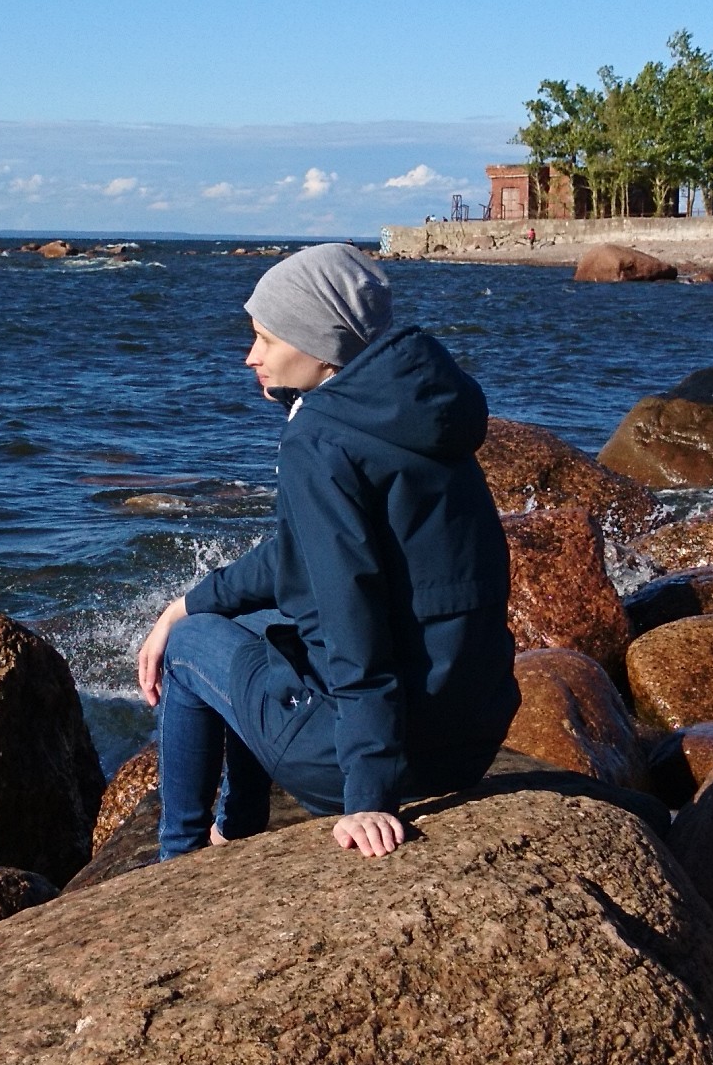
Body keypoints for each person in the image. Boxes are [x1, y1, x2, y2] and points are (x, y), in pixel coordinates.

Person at [135, 243, 518, 864]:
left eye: (265, 337)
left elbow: (352, 616)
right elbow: (304, 555)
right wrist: (188, 600)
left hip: (381, 763)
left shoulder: (320, 438)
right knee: (234, 622)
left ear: (318, 342)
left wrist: (368, 791)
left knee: (186, 649)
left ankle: (181, 861)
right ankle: (237, 827)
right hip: (468, 739)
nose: (250, 355)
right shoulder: (422, 412)